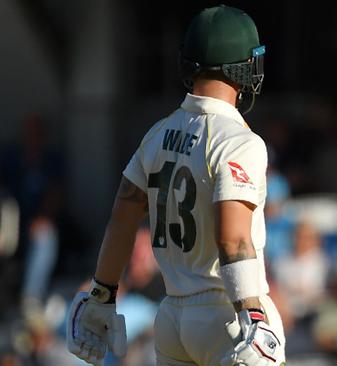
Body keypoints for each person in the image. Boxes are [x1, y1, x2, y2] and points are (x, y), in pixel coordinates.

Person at [65, 5, 285, 366]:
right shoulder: (238, 141)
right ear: (245, 66)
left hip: (172, 318)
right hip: (225, 315)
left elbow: (122, 214)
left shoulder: (158, 133)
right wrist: (254, 315)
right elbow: (233, 238)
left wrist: (102, 294)